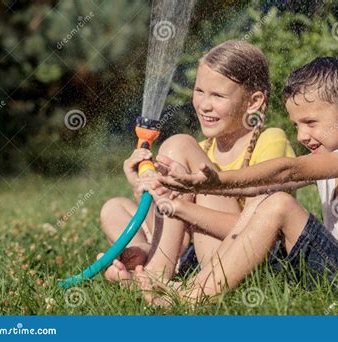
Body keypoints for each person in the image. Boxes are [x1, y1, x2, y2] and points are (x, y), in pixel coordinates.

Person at [152, 57, 338, 303]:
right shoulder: (330, 160)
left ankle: (195, 298)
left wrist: (216, 181)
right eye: (296, 125)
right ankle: (200, 283)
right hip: (336, 277)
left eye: (311, 122)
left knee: (281, 204)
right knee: (264, 199)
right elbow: (265, 186)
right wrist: (192, 184)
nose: (302, 135)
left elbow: (289, 170)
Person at [97, 40, 296, 286]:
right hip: (197, 254)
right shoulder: (203, 150)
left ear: (253, 102)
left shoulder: (270, 141)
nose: (204, 104)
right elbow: (178, 236)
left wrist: (182, 203)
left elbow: (261, 230)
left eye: (218, 95)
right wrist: (146, 190)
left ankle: (154, 275)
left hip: (245, 259)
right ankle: (139, 258)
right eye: (199, 91)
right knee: (114, 207)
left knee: (179, 144)